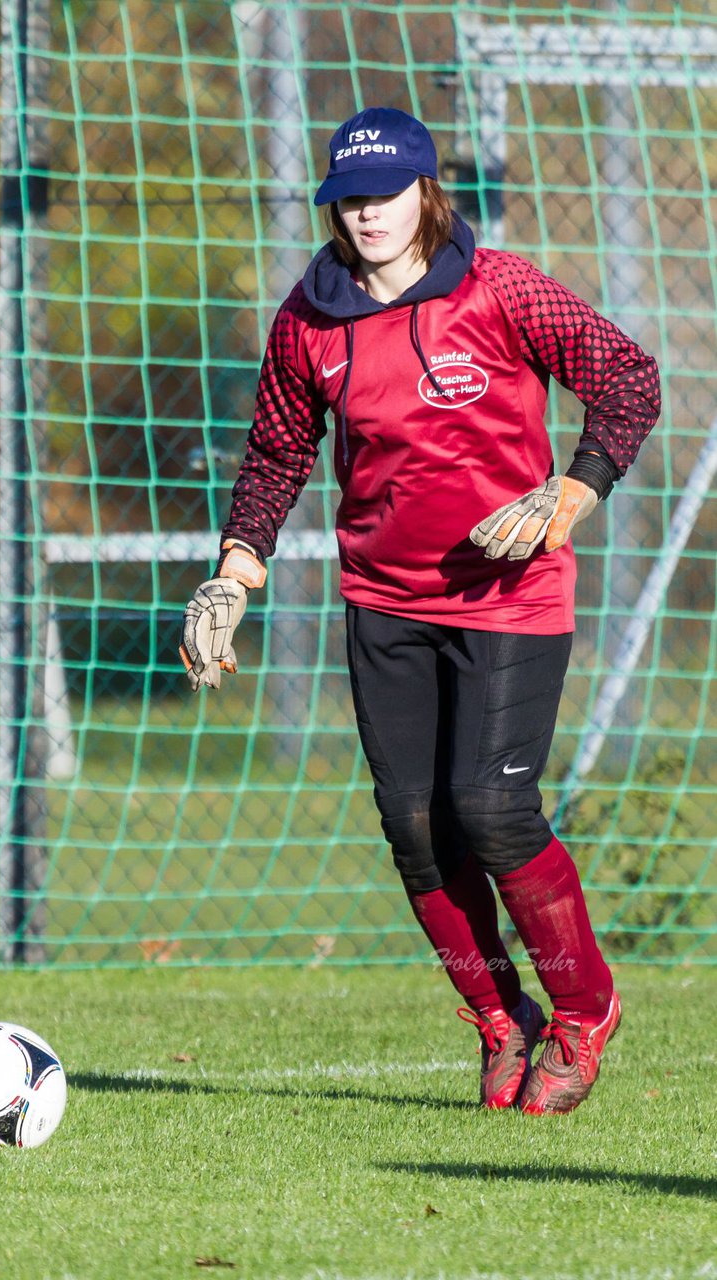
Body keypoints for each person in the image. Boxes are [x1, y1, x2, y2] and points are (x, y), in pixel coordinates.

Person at [179, 107, 661, 1114]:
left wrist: (569, 494)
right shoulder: (306, 320)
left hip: (509, 594)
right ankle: (499, 1019)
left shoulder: (498, 288)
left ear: (425, 192)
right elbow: (275, 454)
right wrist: (232, 573)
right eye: (349, 199)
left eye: (385, 194)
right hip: (383, 597)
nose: (367, 215)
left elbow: (625, 379)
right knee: (412, 822)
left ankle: (582, 1010)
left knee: (487, 808)